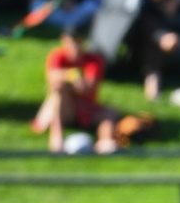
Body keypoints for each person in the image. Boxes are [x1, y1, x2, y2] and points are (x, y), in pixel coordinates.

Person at [32, 26, 119, 154]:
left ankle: (105, 141)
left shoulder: (93, 60)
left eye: (78, 40)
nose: (74, 45)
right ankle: (56, 137)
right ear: (64, 40)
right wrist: (72, 75)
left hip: (84, 106)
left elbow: (89, 87)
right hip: (62, 108)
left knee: (110, 113)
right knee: (59, 88)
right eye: (71, 41)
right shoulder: (58, 56)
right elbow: (52, 76)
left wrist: (75, 83)